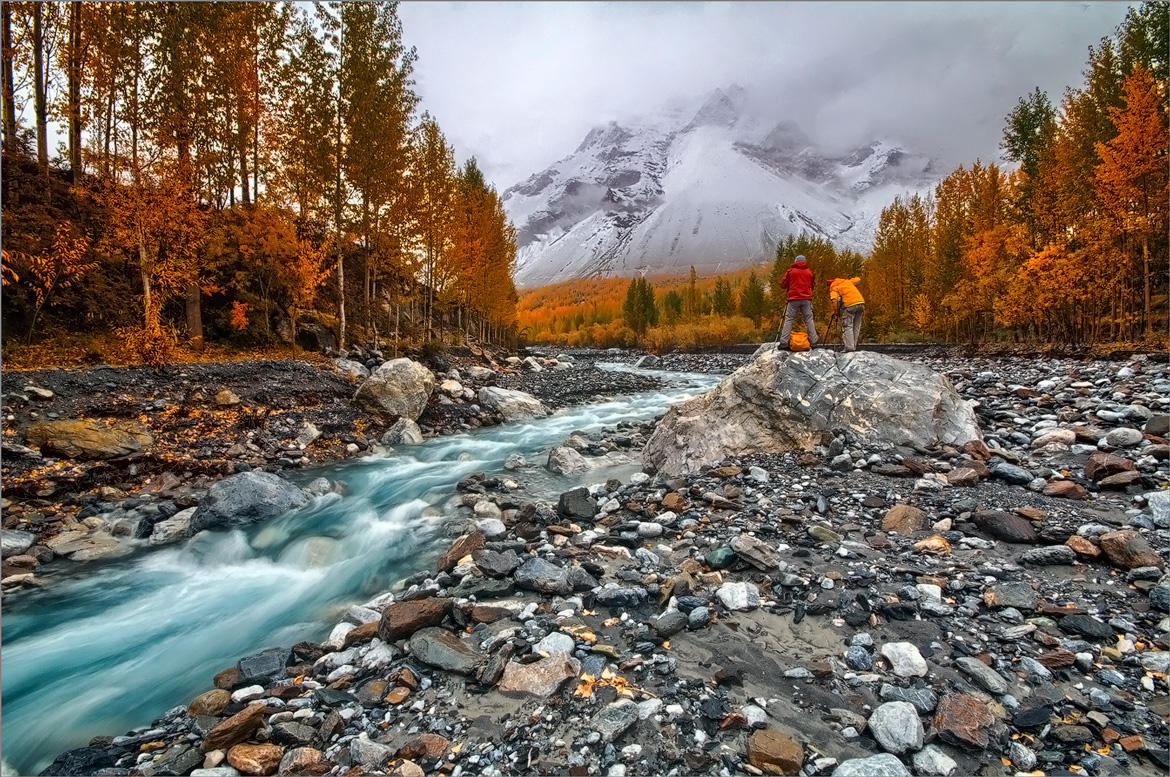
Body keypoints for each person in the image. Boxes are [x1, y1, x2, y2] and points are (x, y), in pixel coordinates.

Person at [777, 255, 817, 348]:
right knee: (809, 320)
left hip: (793, 299)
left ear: (796, 261)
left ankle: (784, 342)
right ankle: (814, 342)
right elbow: (813, 286)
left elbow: (782, 284)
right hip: (806, 299)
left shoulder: (791, 271)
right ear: (804, 261)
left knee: (789, 319)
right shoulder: (809, 272)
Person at [827, 276, 865, 352]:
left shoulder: (834, 288)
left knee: (847, 326)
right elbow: (858, 279)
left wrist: (835, 311)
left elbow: (835, 300)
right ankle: (853, 345)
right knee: (856, 326)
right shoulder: (847, 282)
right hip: (861, 304)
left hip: (849, 306)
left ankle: (849, 348)